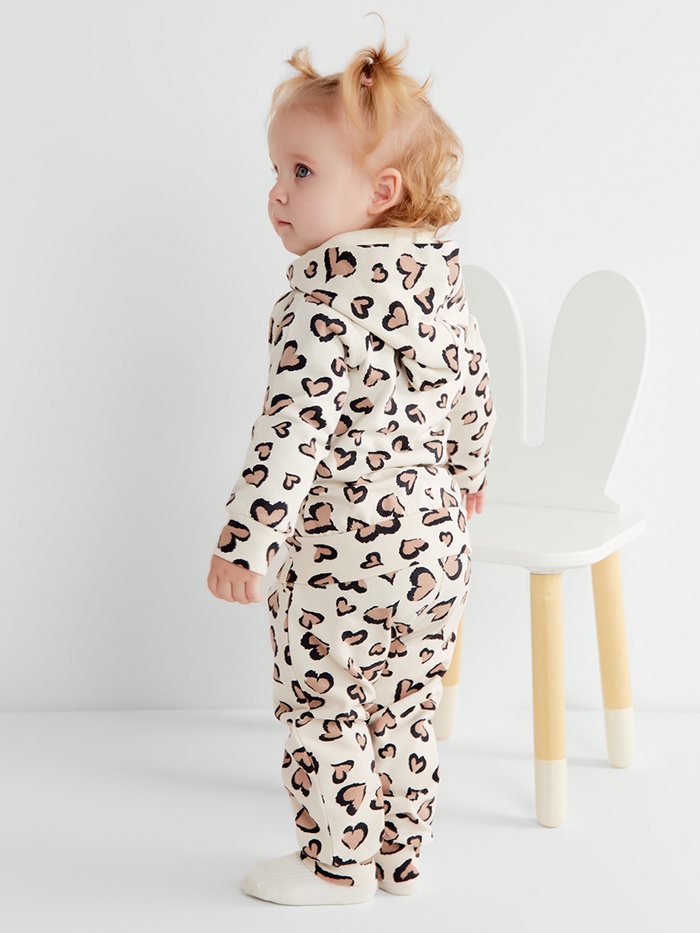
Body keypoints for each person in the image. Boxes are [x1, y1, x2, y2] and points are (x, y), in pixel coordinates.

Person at [207, 33, 495, 906]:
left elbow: (291, 431)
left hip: (345, 553)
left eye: (301, 171)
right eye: (276, 169)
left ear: (380, 193)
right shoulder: (442, 287)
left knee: (324, 700)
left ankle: (336, 865)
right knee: (407, 702)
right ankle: (401, 856)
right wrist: (470, 473)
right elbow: (474, 388)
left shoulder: (320, 300)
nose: (277, 192)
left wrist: (247, 542)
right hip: (438, 547)